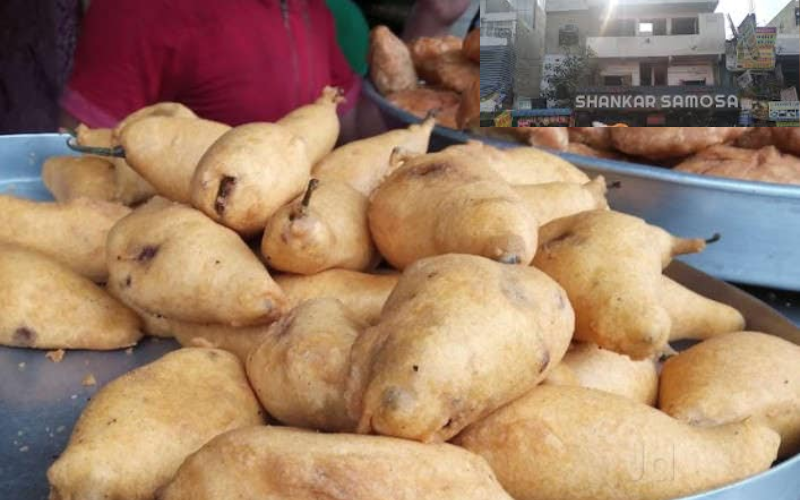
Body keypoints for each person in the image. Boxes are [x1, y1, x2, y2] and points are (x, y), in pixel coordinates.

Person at [60, 0, 470, 139]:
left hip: (303, 254)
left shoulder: (313, 10)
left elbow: (354, 131)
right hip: (191, 281)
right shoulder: (144, 10)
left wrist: (430, 21)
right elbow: (75, 151)